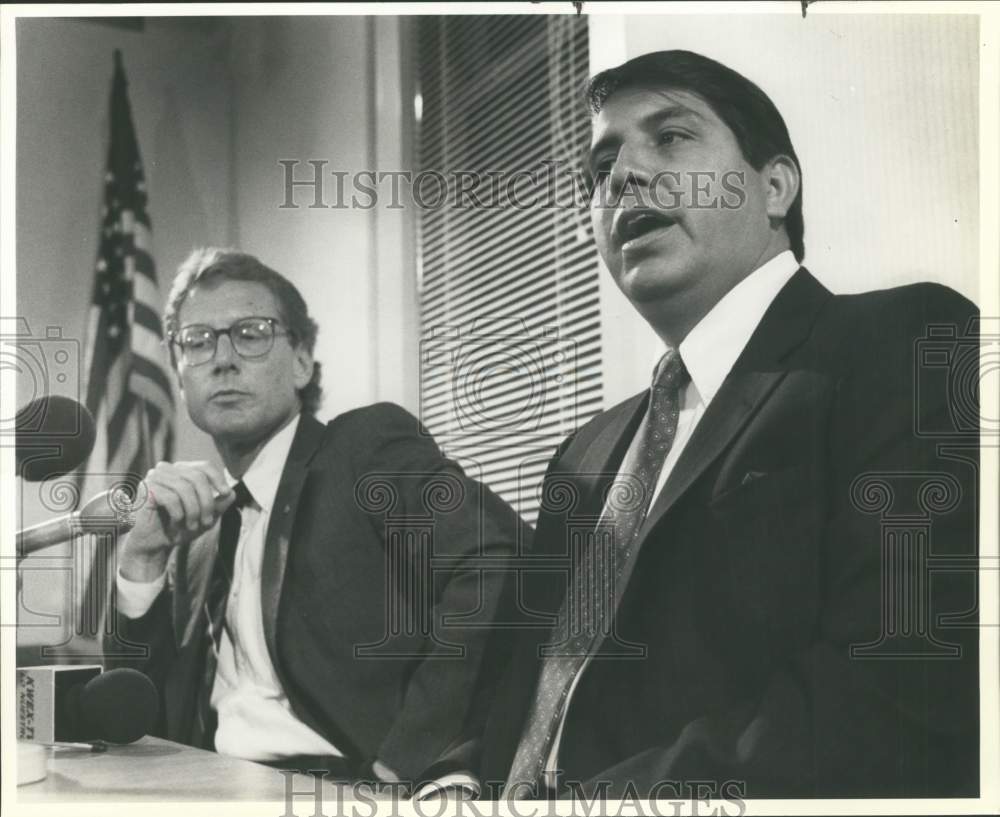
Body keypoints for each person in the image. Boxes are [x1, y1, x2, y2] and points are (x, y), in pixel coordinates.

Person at [479, 50, 979, 799]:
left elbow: (898, 687)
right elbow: (509, 688)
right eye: (602, 165)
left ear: (775, 186)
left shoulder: (903, 344)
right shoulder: (582, 456)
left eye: (672, 138)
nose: (623, 177)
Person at [105, 248, 525, 793]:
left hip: (344, 787)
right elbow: (136, 724)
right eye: (198, 341)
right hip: (206, 785)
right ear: (179, 375)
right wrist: (140, 560)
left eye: (252, 334)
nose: (223, 359)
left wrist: (406, 760)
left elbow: (497, 558)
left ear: (302, 360)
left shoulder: (363, 450)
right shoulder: (195, 530)